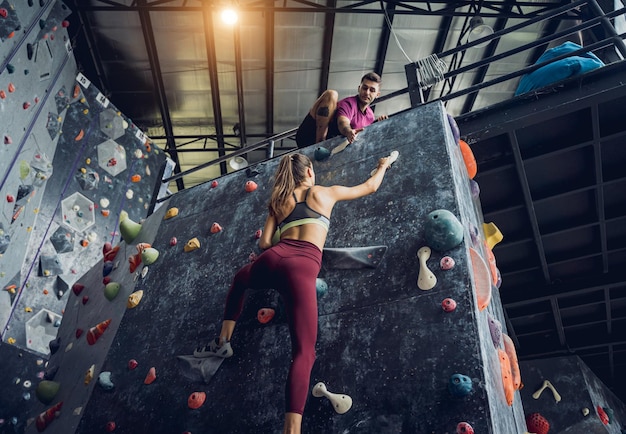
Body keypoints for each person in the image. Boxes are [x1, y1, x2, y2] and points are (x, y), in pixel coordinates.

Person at [194, 152, 393, 434]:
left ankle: (223, 341)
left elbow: (264, 242)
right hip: (301, 268)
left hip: (273, 259)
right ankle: (292, 429)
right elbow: (371, 187)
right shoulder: (325, 193)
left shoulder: (278, 201)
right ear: (309, 172)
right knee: (304, 351)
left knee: (240, 279)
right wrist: (383, 165)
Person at [295, 72, 388, 148]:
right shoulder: (349, 103)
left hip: (333, 146)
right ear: (359, 88)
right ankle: (319, 143)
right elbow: (342, 123)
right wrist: (348, 131)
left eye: (372, 90)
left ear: (377, 94)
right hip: (309, 135)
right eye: (364, 88)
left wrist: (380, 124)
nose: (367, 92)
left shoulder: (370, 116)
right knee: (331, 94)